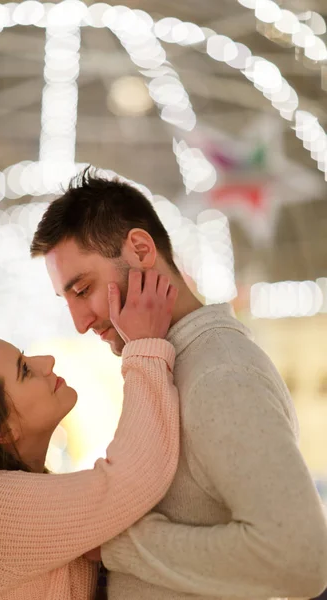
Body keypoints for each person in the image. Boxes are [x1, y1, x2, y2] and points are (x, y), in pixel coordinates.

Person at [31, 167, 327, 600]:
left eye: (83, 289)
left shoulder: (219, 373)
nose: (79, 323)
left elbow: (301, 559)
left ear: (140, 248)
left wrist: (118, 543)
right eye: (68, 300)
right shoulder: (175, 364)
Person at [0, 269, 180, 600]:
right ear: (4, 429)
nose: (46, 360)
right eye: (25, 370)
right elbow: (129, 482)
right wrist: (145, 347)